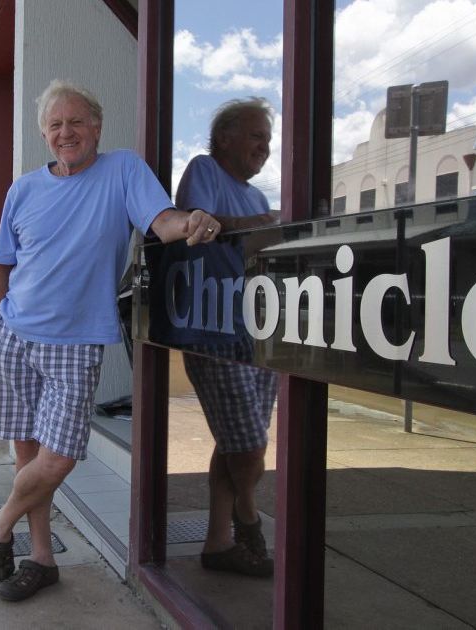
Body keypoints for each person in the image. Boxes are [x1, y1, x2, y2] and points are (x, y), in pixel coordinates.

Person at [0, 79, 222, 602]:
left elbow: (161, 222)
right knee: (29, 458)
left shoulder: (123, 171)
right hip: (14, 335)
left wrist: (192, 221)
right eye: (55, 125)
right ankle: (41, 559)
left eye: (75, 122)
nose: (65, 133)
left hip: (75, 342)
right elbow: (1, 265)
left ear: (97, 126)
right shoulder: (22, 189)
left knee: (59, 457)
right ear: (44, 133)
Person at [175, 98, 280, 577]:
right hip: (212, 328)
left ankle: (218, 546)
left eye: (267, 137)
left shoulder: (257, 198)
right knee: (248, 445)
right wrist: (265, 225)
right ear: (225, 138)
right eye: (257, 135)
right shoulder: (204, 170)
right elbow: (198, 225)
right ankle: (249, 518)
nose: (266, 145)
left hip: (256, 330)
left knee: (237, 440)